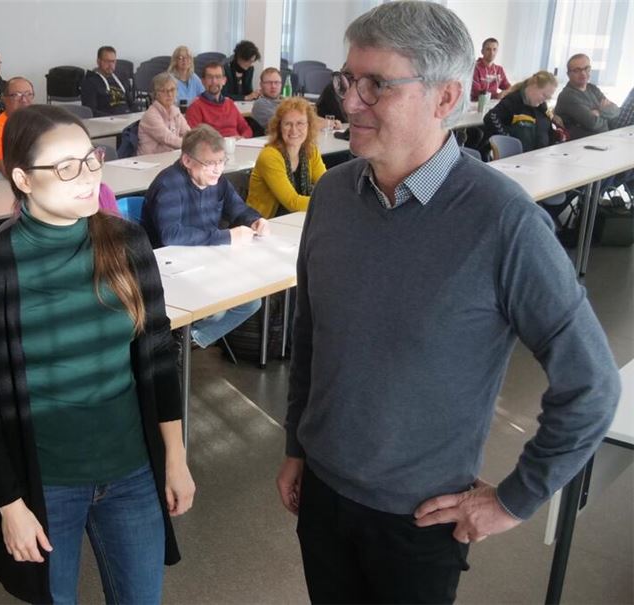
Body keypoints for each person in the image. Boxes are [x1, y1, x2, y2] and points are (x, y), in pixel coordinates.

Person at [275, 3, 620, 603]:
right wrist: (296, 446)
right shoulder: (331, 196)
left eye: (376, 85)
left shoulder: (504, 222)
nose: (347, 102)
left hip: (420, 520)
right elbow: (311, 335)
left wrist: (514, 500)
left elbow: (592, 383)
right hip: (321, 496)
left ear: (445, 98)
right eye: (346, 80)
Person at [0, 104, 194, 604]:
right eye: (65, 168)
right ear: (22, 178)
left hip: (131, 470)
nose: (86, 178)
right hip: (47, 483)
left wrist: (175, 457)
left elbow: (156, 354)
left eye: (90, 159)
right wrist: (9, 504)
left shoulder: (127, 242)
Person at [141, 125, 267, 349]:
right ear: (187, 161)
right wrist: (226, 236)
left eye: (221, 162)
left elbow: (237, 208)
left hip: (206, 259)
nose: (217, 170)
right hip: (170, 268)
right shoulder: (169, 184)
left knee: (251, 302)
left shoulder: (217, 182)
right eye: (210, 163)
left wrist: (255, 220)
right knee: (217, 311)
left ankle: (186, 341)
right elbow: (171, 235)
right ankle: (182, 342)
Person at [247, 97, 327, 217]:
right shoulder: (270, 156)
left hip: (298, 218)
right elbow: (292, 203)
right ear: (279, 127)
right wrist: (327, 201)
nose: (294, 130)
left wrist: (332, 197)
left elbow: (325, 185)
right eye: (288, 124)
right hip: (263, 224)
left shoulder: (311, 151)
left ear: (309, 126)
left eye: (300, 123)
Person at [484, 70, 560, 152]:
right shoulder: (513, 101)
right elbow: (490, 117)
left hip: (540, 156)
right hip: (519, 158)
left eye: (548, 98)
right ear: (534, 85)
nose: (545, 100)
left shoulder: (542, 107)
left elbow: (547, 133)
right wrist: (508, 139)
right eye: (544, 95)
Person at [555, 53, 620, 139]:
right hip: (581, 145)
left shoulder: (592, 88)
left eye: (586, 68)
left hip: (604, 139)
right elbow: (592, 123)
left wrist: (598, 112)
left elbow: (616, 111)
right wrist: (603, 111)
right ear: (568, 74)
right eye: (577, 70)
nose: (583, 73)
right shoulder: (568, 95)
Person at [0, 77, 35, 176]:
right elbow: (8, 171)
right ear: (4, 99)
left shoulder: (38, 124)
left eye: (28, 94)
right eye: (16, 95)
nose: (24, 100)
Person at [186, 62, 253, 138]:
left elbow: (246, 129)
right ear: (203, 81)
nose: (214, 81)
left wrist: (242, 138)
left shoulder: (230, 103)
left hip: (236, 145)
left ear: (224, 81)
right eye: (210, 77)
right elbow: (194, 139)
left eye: (218, 77)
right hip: (214, 148)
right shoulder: (195, 107)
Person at [138, 73, 191, 155]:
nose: (169, 94)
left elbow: (188, 133)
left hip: (168, 158)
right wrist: (192, 144)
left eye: (172, 89)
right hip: (149, 161)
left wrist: (196, 140)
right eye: (164, 91)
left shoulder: (176, 111)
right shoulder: (151, 115)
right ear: (156, 94)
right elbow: (168, 139)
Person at [81, 46, 135, 117]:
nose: (110, 65)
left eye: (113, 61)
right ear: (98, 62)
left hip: (127, 118)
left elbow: (131, 104)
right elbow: (90, 111)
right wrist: (113, 118)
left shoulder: (121, 79)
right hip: (107, 121)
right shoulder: (90, 82)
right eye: (107, 61)